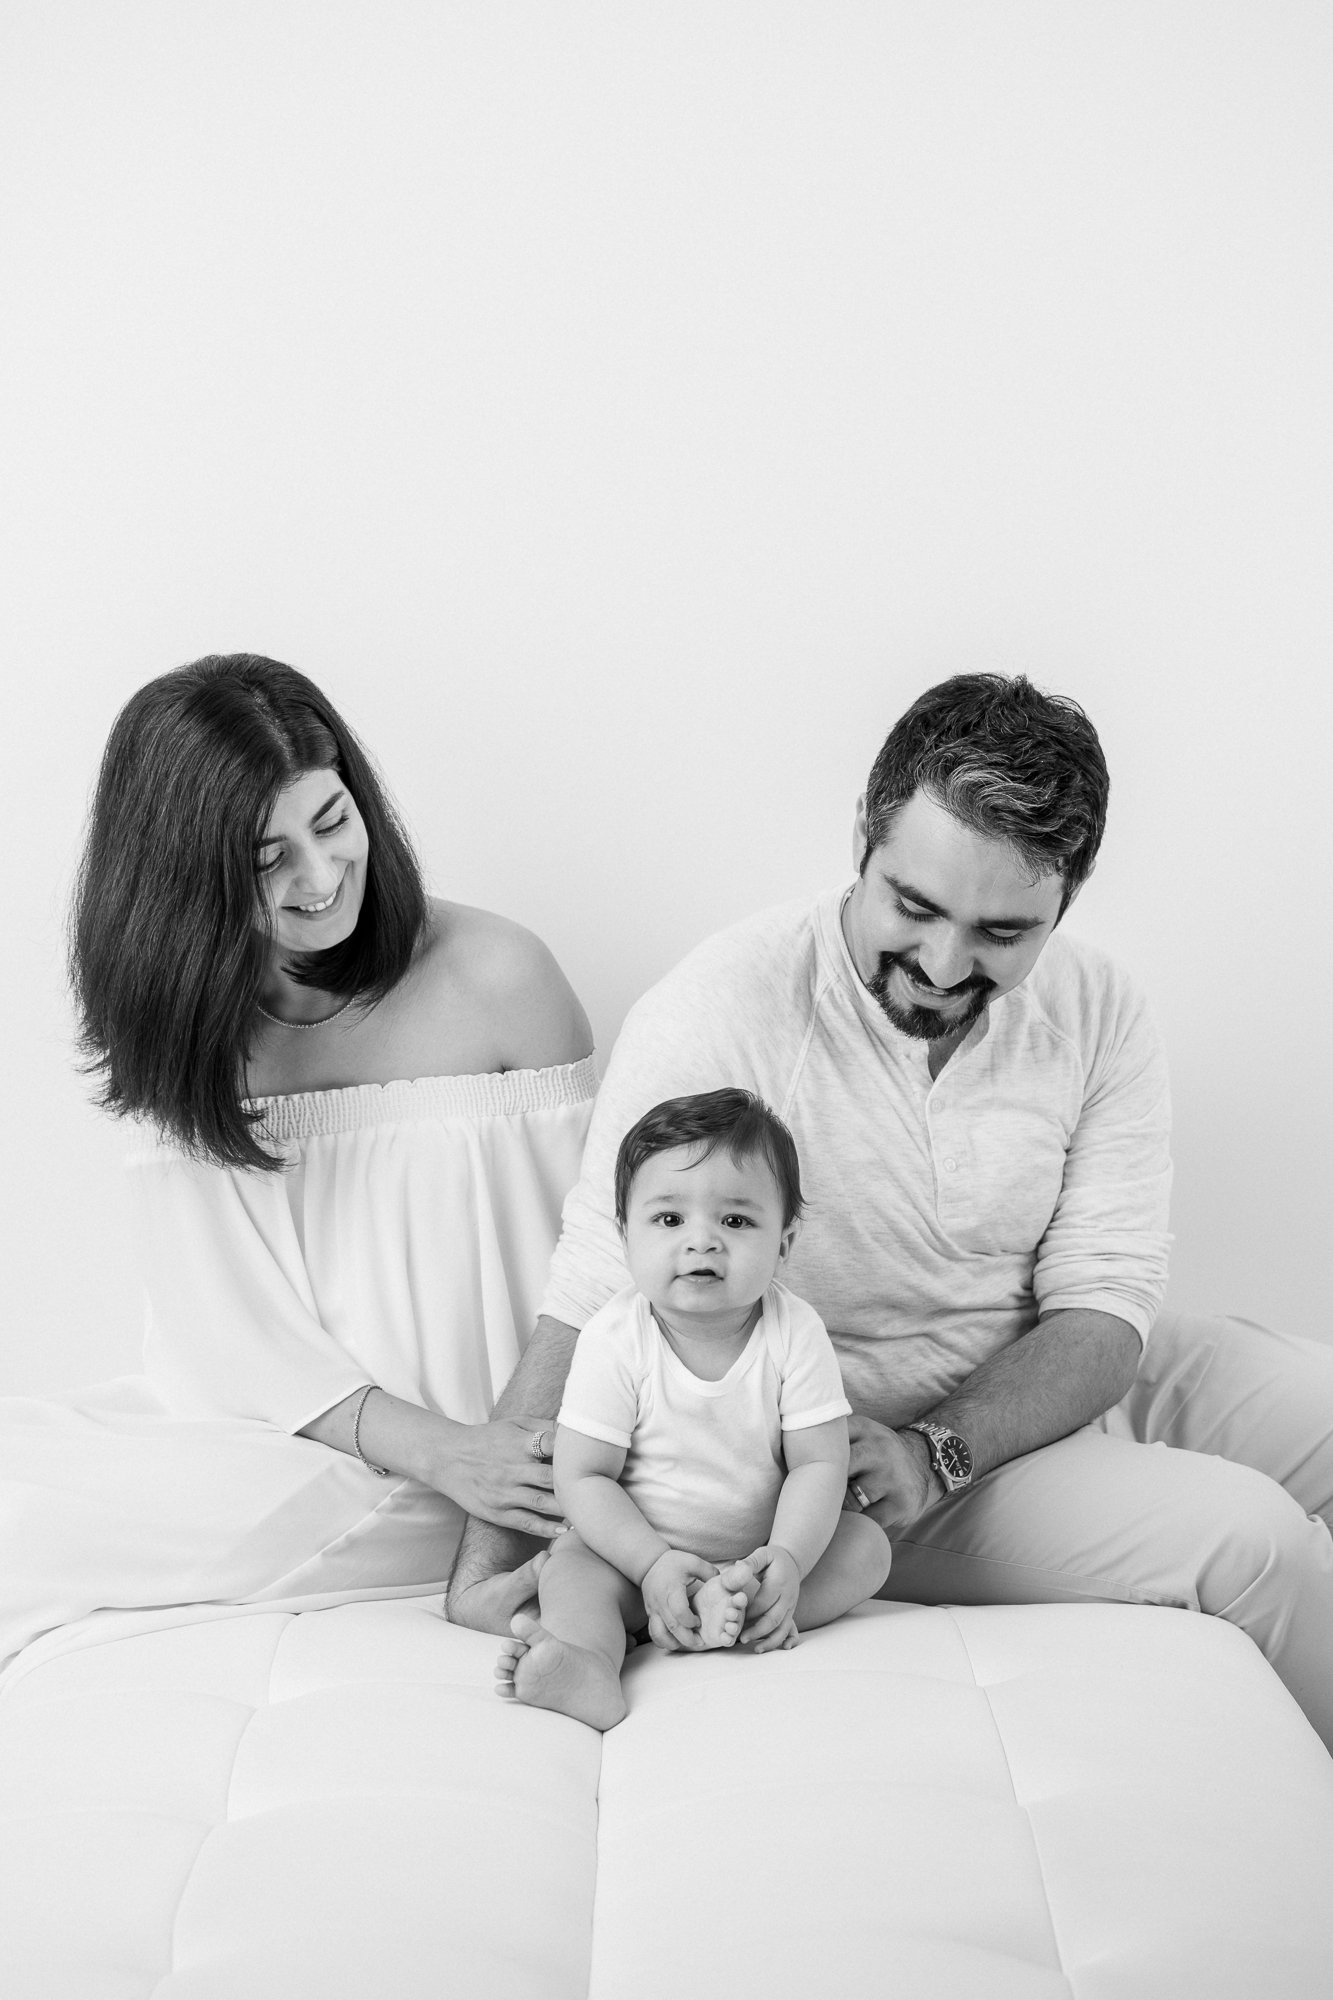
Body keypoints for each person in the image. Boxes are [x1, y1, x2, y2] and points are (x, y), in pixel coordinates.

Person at [451, 672, 1333, 1753]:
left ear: (1062, 904)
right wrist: (490, 1565)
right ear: (861, 841)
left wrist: (945, 1445)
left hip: (1006, 1397)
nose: (943, 963)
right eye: (913, 907)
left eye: (1002, 931)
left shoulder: (1100, 1008)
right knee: (1257, 1545)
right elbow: (592, 1292)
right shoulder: (725, 1006)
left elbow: (1103, 1311)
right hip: (864, 1467)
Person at [1, 653, 591, 1677]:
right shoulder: (196, 1031)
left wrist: (501, 1464)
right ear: (188, 883)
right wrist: (441, 1448)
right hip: (296, 1439)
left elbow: (596, 1261)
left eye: (332, 823)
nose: (322, 879)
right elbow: (227, 1336)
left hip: (472, 1479)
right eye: (267, 858)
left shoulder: (499, 977)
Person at [493, 1090, 890, 1728]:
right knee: (570, 1573)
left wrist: (786, 1561)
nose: (702, 1242)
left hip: (757, 1555)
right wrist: (650, 1565)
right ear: (625, 1237)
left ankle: (751, 1612)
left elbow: (820, 1463)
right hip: (633, 1558)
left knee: (867, 1548)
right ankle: (590, 1664)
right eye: (669, 1220)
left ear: (785, 1242)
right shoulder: (614, 1337)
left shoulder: (796, 1331)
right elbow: (582, 1475)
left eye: (735, 1222)